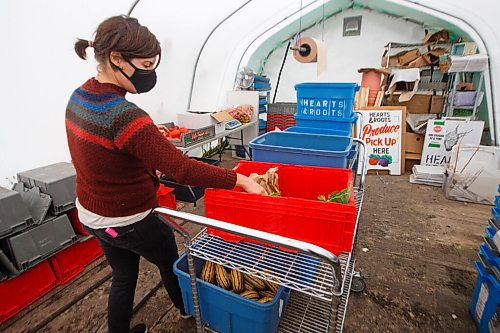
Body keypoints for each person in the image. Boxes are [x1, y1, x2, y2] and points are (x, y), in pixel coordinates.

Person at [67, 15, 265, 333]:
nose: (151, 74)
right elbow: (180, 168)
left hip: (92, 215)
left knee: (123, 275)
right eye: (145, 65)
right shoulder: (124, 115)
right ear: (116, 59)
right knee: (169, 258)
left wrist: (145, 142)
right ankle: (188, 310)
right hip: (127, 219)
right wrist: (239, 179)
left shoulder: (79, 97)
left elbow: (99, 154)